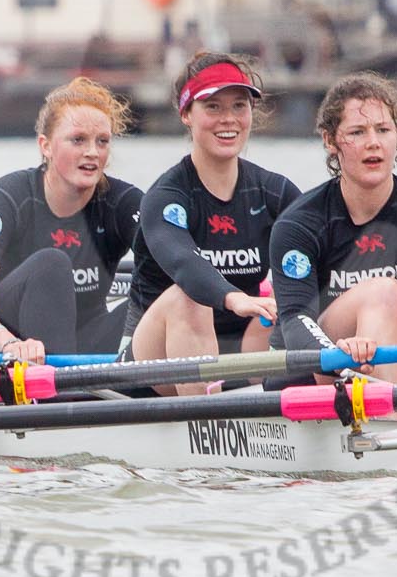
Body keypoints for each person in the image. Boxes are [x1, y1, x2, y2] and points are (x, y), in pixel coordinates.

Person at [268, 73, 397, 386]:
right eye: (357, 132)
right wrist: (336, 355)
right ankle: (393, 413)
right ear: (330, 141)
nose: (373, 142)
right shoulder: (300, 223)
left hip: (386, 358)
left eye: (383, 130)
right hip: (315, 365)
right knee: (385, 291)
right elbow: (295, 319)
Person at [0, 78, 142, 364]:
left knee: (169, 292)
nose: (92, 152)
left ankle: (179, 386)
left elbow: (171, 262)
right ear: (45, 146)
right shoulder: (9, 197)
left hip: (76, 346)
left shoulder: (122, 201)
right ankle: (67, 387)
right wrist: (9, 344)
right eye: (78, 140)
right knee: (51, 263)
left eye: (102, 141)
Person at [126, 53, 302, 372]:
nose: (228, 119)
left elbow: (323, 254)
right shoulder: (166, 197)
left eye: (239, 106)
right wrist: (234, 298)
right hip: (152, 361)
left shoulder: (274, 192)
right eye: (213, 107)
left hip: (240, 349)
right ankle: (210, 399)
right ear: (186, 114)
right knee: (189, 298)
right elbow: (184, 262)